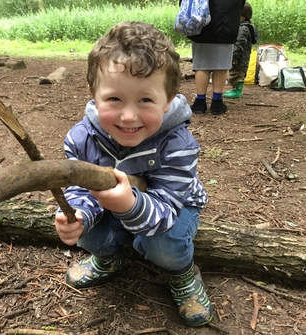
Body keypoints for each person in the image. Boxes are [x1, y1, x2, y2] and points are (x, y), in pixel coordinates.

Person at [54, 21, 212, 327]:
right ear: (94, 94)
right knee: (84, 230)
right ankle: (108, 258)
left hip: (173, 207)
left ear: (168, 101)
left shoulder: (178, 145)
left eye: (145, 100)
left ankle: (182, 274)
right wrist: (78, 214)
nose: (128, 116)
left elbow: (166, 209)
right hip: (116, 203)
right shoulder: (80, 139)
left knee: (164, 245)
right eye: (114, 99)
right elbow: (77, 190)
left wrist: (129, 205)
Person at [187, 0, 246, 115]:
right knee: (222, 64)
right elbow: (241, 4)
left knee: (202, 65)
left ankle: (200, 102)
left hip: (202, 25)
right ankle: (217, 103)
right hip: (227, 24)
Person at [224, 2, 259, 99]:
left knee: (237, 73)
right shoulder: (244, 26)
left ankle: (237, 91)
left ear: (243, 16)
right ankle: (235, 89)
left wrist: (234, 56)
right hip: (240, 56)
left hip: (240, 57)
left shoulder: (243, 29)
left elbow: (239, 44)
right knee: (234, 72)